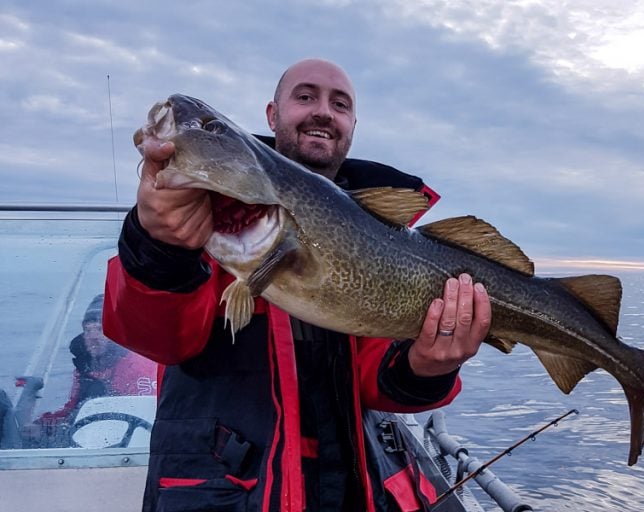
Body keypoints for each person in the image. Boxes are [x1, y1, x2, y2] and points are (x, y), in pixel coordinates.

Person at [103, 58, 491, 511]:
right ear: (272, 115)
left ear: (352, 125)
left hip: (348, 486)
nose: (323, 111)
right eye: (305, 96)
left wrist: (427, 366)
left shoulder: (380, 233)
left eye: (339, 104)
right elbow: (162, 338)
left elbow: (376, 379)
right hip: (232, 493)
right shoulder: (207, 211)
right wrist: (161, 249)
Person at [26, 294, 156, 447]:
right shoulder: (85, 369)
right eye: (88, 330)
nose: (93, 337)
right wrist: (43, 425)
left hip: (128, 445)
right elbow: (72, 409)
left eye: (100, 329)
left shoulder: (137, 367)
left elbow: (146, 414)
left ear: (116, 332)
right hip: (90, 440)